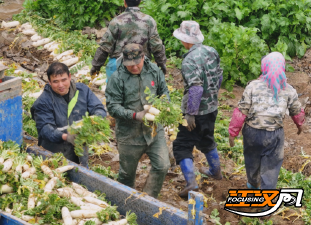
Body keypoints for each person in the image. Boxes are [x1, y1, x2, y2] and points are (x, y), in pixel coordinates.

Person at [229, 52, 305, 190]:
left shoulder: (253, 86)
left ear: (264, 67)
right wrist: (299, 126)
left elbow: (241, 111)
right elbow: (296, 111)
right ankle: (266, 201)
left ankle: (253, 184)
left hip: (252, 133)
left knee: (251, 159)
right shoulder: (288, 90)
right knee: (271, 167)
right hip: (274, 135)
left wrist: (232, 133)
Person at [105, 43, 170, 198]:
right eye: (130, 65)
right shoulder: (117, 78)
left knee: (162, 165)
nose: (134, 67)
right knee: (127, 174)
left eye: (137, 63)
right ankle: (126, 202)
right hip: (129, 134)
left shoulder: (154, 71)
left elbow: (164, 91)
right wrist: (135, 115)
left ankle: (148, 198)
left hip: (154, 131)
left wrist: (164, 104)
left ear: (143, 57)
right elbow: (113, 107)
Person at [171, 21, 224, 197]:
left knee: (182, 145)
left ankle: (191, 183)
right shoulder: (211, 51)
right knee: (207, 139)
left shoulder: (189, 60)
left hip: (196, 112)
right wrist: (213, 95)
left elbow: (195, 88)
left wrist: (190, 114)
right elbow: (219, 76)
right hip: (211, 108)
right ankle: (216, 171)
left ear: (187, 41)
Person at [31, 62, 107, 167]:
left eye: (64, 80)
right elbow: (45, 129)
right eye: (55, 81)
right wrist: (66, 137)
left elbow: (98, 108)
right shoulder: (43, 102)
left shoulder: (82, 90)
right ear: (49, 82)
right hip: (54, 154)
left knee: (80, 175)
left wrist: (95, 118)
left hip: (80, 149)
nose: (61, 85)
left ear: (70, 77)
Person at [91, 0, 167, 81]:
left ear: (124, 3)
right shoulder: (149, 21)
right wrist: (162, 64)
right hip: (141, 65)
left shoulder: (116, 21)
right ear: (140, 2)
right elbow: (156, 46)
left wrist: (96, 66)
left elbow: (105, 47)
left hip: (119, 64)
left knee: (114, 86)